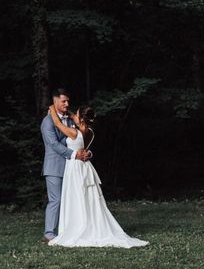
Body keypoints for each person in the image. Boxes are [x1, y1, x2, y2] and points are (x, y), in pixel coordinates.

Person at [47, 104, 149, 248]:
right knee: (89, 198)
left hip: (75, 167)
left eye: (76, 115)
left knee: (76, 196)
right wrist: (69, 112)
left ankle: (78, 226)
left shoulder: (74, 133)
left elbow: (57, 123)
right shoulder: (90, 132)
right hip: (86, 166)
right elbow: (78, 128)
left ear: (81, 119)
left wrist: (52, 109)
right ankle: (89, 222)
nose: (73, 117)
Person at [41, 88, 90, 243]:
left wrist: (85, 153)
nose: (67, 104)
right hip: (55, 166)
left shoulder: (71, 120)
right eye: (63, 101)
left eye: (68, 101)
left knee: (72, 199)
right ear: (55, 102)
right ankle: (49, 233)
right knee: (56, 200)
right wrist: (75, 154)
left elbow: (79, 140)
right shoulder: (47, 121)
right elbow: (54, 144)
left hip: (72, 168)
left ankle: (69, 230)